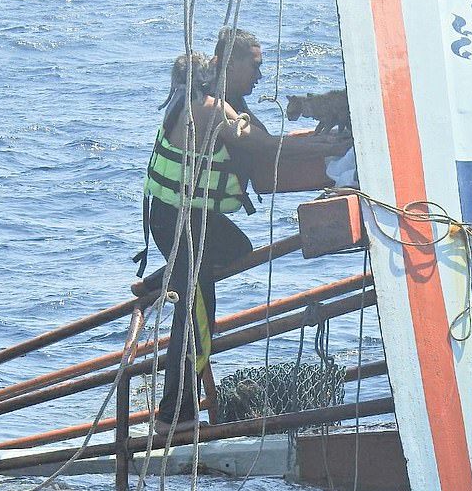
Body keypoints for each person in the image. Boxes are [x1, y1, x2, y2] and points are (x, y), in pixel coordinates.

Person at [140, 27, 351, 434]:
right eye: (254, 65)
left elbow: (268, 140)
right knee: (199, 315)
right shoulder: (210, 109)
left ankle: (172, 274)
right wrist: (332, 150)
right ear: (229, 63)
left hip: (193, 219)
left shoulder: (225, 102)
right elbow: (267, 149)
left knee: (238, 248)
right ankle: (174, 418)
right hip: (178, 221)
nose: (260, 75)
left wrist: (322, 140)